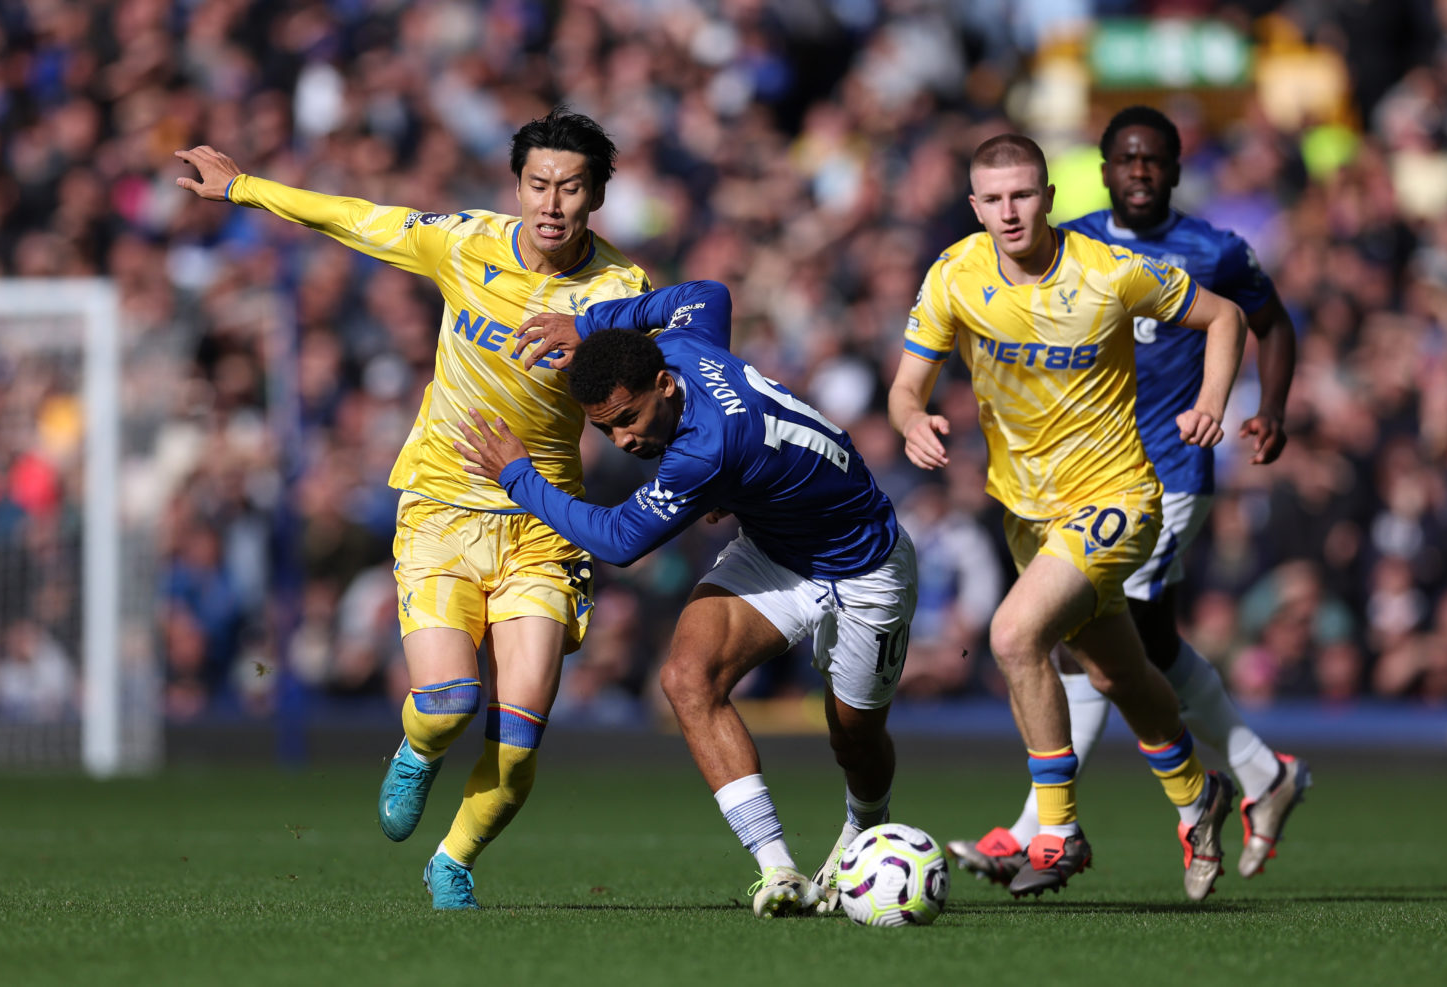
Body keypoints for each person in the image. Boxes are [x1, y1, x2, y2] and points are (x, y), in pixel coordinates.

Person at [175, 108, 651, 910]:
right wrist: (242, 188)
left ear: (597, 195)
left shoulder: (621, 289)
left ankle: (453, 862)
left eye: (571, 187)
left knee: (520, 733)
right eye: (538, 183)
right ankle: (418, 749)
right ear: (518, 185)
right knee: (448, 705)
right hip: (440, 508)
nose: (552, 203)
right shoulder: (463, 240)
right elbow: (361, 218)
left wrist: (706, 476)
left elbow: (665, 387)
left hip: (544, 523)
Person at [454, 279, 917, 918]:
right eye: (605, 428)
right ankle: (778, 870)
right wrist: (588, 323)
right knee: (686, 679)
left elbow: (617, 540)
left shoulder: (707, 449)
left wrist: (518, 478)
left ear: (664, 387)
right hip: (778, 553)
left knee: (854, 736)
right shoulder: (682, 346)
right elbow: (710, 292)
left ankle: (864, 829)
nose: (622, 440)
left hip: (867, 566)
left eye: (627, 420)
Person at [948, 106, 1310, 887]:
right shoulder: (1066, 241)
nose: (1140, 171)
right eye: (1126, 159)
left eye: (1155, 160)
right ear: (1103, 171)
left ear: (1175, 170)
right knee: (1129, 645)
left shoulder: (1213, 250)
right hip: (1065, 486)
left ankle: (1039, 828)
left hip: (1167, 472)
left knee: (1066, 637)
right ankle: (1256, 773)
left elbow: (1267, 323)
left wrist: (1267, 407)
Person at [888, 133, 1248, 901]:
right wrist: (912, 418)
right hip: (1027, 513)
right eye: (995, 198)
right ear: (976, 206)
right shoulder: (955, 273)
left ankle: (1057, 830)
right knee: (1117, 670)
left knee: (1015, 635)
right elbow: (905, 385)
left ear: (1049, 196)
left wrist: (1210, 404)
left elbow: (1225, 318)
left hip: (1116, 497)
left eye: (1024, 194)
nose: (1011, 211)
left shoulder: (1109, 271)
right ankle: (1198, 794)